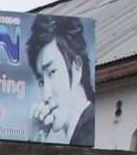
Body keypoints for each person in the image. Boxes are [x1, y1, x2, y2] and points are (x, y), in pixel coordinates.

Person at [26, 13, 95, 145]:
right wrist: (36, 139)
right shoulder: (80, 136)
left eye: (52, 72)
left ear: (76, 68)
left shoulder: (87, 135)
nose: (46, 95)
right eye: (41, 82)